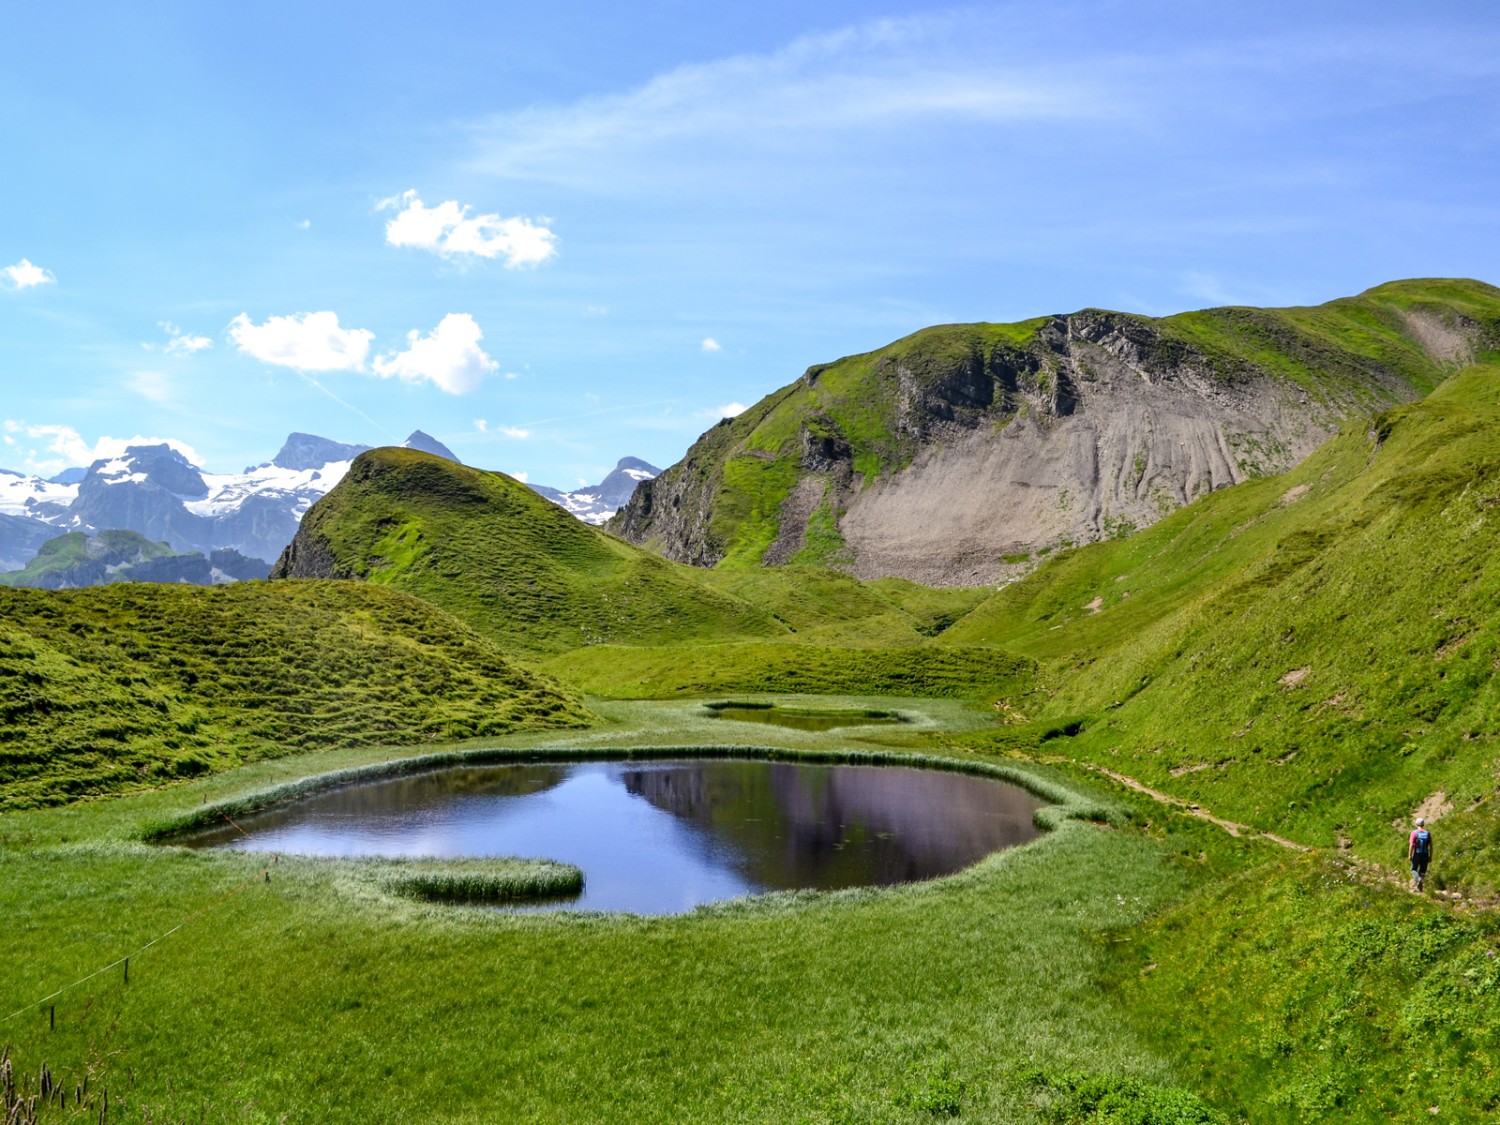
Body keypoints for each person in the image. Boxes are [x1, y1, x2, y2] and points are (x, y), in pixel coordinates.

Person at [1409, 817, 1433, 892]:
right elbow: (1431, 846)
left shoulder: (1414, 833)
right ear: (1423, 824)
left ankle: (1418, 880)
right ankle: (1421, 888)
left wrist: (1410, 855)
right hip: (1425, 854)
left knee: (1413, 869)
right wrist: (1430, 856)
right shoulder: (1427, 833)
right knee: (1422, 871)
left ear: (1416, 824)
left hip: (1417, 854)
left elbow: (1411, 845)